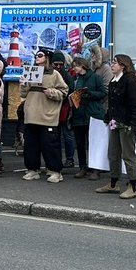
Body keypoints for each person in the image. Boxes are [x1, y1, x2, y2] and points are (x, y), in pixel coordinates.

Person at [97, 53, 136, 199]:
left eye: (115, 62)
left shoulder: (130, 80)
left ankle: (132, 186)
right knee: (113, 154)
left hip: (128, 124)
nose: (112, 65)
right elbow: (112, 103)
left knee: (128, 155)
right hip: (115, 122)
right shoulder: (114, 81)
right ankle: (113, 183)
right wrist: (108, 117)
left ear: (123, 65)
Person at [21, 49, 68, 183]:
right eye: (36, 55)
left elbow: (64, 91)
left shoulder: (55, 74)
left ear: (47, 58)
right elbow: (23, 94)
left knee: (50, 145)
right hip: (31, 114)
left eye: (40, 55)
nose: (37, 57)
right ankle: (32, 169)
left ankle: (55, 171)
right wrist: (23, 83)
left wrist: (52, 92)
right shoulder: (31, 71)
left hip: (48, 115)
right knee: (31, 145)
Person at [68, 57, 106, 180]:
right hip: (79, 114)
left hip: (92, 114)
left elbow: (103, 93)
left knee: (94, 143)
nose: (74, 69)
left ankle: (96, 169)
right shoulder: (75, 79)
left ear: (82, 66)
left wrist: (90, 93)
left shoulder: (95, 78)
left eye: (76, 66)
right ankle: (82, 167)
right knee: (80, 143)